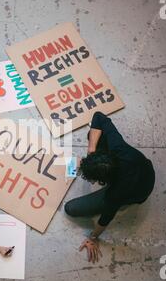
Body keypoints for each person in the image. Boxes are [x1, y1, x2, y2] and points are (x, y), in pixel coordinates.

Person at [64, 111, 155, 263]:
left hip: (138, 191)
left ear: (102, 181)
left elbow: (105, 219)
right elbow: (98, 116)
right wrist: (91, 151)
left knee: (71, 208)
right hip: (142, 169)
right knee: (93, 135)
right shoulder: (118, 147)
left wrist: (92, 237)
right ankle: (94, 152)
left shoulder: (115, 194)